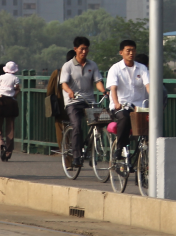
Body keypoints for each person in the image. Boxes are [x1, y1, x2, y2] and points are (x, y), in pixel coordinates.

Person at [60, 36, 105, 169]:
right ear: (75, 49)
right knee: (77, 126)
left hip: (89, 100)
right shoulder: (68, 66)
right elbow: (64, 84)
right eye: (82, 49)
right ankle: (76, 156)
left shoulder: (92, 65)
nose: (84, 52)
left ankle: (93, 153)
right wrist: (70, 91)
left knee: (100, 124)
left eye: (86, 49)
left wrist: (104, 91)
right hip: (73, 101)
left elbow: (98, 82)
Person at [106, 39, 150, 160]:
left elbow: (148, 86)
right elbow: (113, 88)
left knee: (151, 125)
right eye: (128, 50)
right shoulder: (115, 69)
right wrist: (116, 103)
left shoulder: (142, 68)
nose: (131, 53)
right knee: (124, 117)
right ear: (121, 52)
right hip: (122, 107)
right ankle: (119, 148)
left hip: (139, 107)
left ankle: (143, 160)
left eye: (133, 50)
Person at [0, 61, 21, 162]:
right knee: (10, 129)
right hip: (11, 103)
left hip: (0, 102)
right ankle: (8, 152)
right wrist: (14, 94)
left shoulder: (1, 77)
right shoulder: (16, 78)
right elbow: (18, 89)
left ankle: (1, 144)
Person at [46, 50, 71, 151]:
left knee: (61, 129)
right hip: (78, 105)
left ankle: (66, 155)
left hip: (60, 106)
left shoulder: (58, 73)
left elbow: (49, 91)